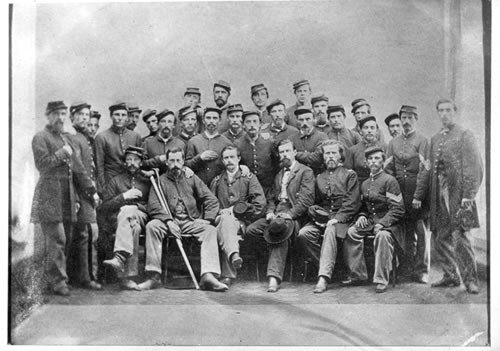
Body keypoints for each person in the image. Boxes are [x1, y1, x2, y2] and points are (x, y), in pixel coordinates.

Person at [31, 101, 98, 296]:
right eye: (57, 114)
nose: (60, 118)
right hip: (49, 196)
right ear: (48, 116)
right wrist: (61, 154)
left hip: (67, 197)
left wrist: (91, 190)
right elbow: (42, 165)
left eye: (63, 114)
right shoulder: (40, 138)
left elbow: (78, 168)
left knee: (66, 238)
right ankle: (58, 282)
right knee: (57, 237)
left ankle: (59, 278)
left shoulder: (64, 138)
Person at [139, 147, 228, 291]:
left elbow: (211, 200)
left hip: (189, 221)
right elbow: (153, 205)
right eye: (172, 161)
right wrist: (168, 221)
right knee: (151, 226)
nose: (175, 164)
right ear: (167, 163)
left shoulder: (191, 178)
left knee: (210, 230)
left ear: (183, 162)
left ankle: (208, 276)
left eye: (178, 160)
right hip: (166, 222)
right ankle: (153, 276)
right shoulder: (159, 180)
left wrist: (207, 220)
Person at [246, 139, 315, 292]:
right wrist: (270, 212)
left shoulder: (305, 172)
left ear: (295, 152)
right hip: (276, 215)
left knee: (280, 230)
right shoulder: (279, 174)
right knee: (251, 230)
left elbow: (306, 200)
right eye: (282, 152)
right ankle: (274, 257)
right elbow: (271, 198)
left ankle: (273, 278)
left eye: (287, 151)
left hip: (295, 216)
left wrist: (289, 214)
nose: (284, 155)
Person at [429, 99, 483, 294]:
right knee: (440, 237)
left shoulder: (465, 135)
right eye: (441, 110)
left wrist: (469, 195)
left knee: (461, 237)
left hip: (458, 195)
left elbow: (474, 166)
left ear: (455, 112)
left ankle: (470, 280)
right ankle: (451, 275)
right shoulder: (435, 138)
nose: (444, 114)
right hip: (439, 194)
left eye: (448, 110)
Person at [297, 140, 361, 293]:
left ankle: (324, 278)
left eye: (334, 153)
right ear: (323, 157)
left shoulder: (349, 175)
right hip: (324, 219)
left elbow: (352, 203)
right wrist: (318, 217)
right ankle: (335, 268)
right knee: (303, 234)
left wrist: (336, 218)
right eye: (327, 153)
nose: (330, 156)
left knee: (331, 229)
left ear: (340, 156)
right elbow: (316, 202)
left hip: (345, 219)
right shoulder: (319, 177)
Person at [343, 146, 405, 293]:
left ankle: (381, 279)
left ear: (383, 162)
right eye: (370, 159)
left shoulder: (390, 181)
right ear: (366, 162)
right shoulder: (364, 184)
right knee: (352, 232)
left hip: (391, 223)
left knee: (382, 236)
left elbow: (398, 209)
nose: (373, 162)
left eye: (377, 158)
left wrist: (383, 223)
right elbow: (364, 207)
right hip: (372, 221)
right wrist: (362, 216)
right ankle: (358, 275)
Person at [385, 105, 430, 283]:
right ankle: (406, 267)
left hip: (417, 193)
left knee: (420, 232)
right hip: (399, 193)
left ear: (416, 119)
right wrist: (393, 195)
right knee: (405, 232)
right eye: (403, 117)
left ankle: (422, 270)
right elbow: (388, 169)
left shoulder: (422, 140)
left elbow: (425, 170)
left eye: (410, 118)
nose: (406, 121)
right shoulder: (393, 143)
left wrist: (418, 196)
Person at [210, 145, 266, 285]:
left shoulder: (249, 178)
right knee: (225, 220)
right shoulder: (217, 181)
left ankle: (228, 273)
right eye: (226, 158)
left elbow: (260, 205)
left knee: (227, 223)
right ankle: (234, 255)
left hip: (241, 222)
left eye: (232, 157)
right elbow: (209, 204)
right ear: (222, 161)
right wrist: (220, 212)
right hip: (219, 220)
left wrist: (235, 210)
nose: (229, 160)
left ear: (239, 158)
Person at [101, 146, 150, 290]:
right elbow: (105, 206)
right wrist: (123, 197)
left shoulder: (147, 181)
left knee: (129, 211)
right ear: (124, 163)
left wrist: (135, 207)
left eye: (136, 160)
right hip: (121, 219)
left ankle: (120, 257)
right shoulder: (116, 181)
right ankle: (129, 277)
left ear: (141, 162)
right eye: (129, 159)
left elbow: (152, 206)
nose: (132, 163)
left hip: (141, 215)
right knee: (134, 228)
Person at [67, 101, 102, 290]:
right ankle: (87, 277)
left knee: (86, 234)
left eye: (86, 115)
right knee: (88, 233)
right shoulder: (72, 137)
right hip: (81, 194)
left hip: (84, 194)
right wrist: (91, 192)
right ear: (72, 117)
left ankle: (85, 276)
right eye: (80, 114)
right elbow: (78, 169)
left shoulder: (83, 138)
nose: (84, 118)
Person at [94, 102, 142, 193]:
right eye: (117, 114)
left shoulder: (135, 136)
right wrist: (103, 189)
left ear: (127, 117)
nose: (120, 118)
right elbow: (99, 166)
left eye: (123, 115)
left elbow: (139, 162)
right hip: (110, 183)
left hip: (131, 183)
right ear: (111, 116)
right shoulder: (102, 137)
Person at [185, 107, 233, 186]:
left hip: (220, 187)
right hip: (198, 187)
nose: (211, 121)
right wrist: (199, 158)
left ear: (220, 121)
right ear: (203, 121)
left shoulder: (227, 143)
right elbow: (186, 166)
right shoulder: (193, 141)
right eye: (208, 118)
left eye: (214, 118)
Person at [235, 110, 277, 197]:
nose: (252, 125)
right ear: (243, 125)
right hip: (247, 189)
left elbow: (277, 164)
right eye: (248, 122)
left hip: (268, 188)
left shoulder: (270, 142)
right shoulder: (237, 144)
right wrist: (240, 167)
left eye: (255, 121)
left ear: (260, 124)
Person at [344, 116, 386, 185]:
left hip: (380, 186)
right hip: (359, 187)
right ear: (360, 131)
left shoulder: (384, 148)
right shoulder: (353, 150)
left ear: (377, 131)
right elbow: (348, 173)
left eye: (372, 128)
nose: (369, 130)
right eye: (366, 128)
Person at [290, 107, 328, 174]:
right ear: (296, 121)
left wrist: (296, 154)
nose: (304, 123)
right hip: (298, 176)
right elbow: (289, 159)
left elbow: (318, 158)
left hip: (317, 175)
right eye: (301, 120)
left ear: (314, 119)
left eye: (308, 119)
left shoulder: (322, 136)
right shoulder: (292, 138)